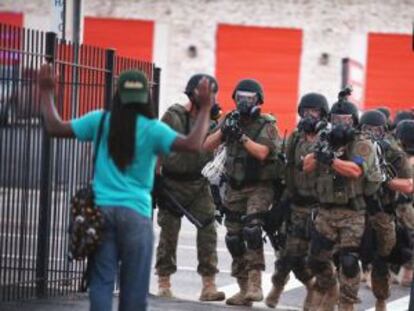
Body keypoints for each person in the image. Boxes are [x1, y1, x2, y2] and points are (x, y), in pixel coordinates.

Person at [38, 64, 215, 311]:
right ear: (146, 98)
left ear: (117, 94)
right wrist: (206, 107)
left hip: (100, 213)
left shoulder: (99, 121)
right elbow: (193, 144)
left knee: (101, 282)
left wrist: (46, 91)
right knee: (134, 291)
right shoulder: (153, 129)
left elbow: (55, 127)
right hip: (136, 214)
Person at [204, 78, 281, 306]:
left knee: (252, 229)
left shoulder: (267, 125)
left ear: (258, 100)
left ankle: (256, 284)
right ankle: (243, 287)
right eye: (240, 98)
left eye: (249, 98)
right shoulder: (230, 119)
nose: (244, 102)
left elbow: (262, 153)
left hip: (259, 186)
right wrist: (224, 132)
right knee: (233, 237)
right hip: (235, 186)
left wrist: (241, 137)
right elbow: (207, 145)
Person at [304, 92, 383, 311]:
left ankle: (347, 305)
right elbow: (307, 166)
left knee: (349, 262)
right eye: (336, 120)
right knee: (316, 260)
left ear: (354, 121)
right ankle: (331, 288)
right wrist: (319, 153)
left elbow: (355, 171)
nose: (340, 124)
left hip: (352, 213)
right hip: (326, 212)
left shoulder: (362, 144)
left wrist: (330, 159)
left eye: (345, 120)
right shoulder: (324, 139)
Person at [154, 74, 225, 301]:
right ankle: (164, 282)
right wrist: (155, 180)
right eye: (206, 94)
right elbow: (157, 147)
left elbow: (211, 146)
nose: (210, 99)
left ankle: (208, 285)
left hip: (198, 183)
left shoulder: (211, 120)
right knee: (168, 234)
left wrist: (225, 126)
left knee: (208, 230)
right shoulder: (173, 116)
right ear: (193, 94)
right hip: (171, 183)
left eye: (212, 94)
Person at [265, 93, 329, 310]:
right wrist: (280, 202)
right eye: (306, 111)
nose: (310, 116)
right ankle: (278, 287)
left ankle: (318, 295)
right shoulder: (294, 138)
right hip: (296, 204)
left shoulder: (328, 139)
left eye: (315, 112)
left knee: (317, 258)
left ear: (323, 114)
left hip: (320, 209)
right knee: (288, 256)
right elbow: (287, 169)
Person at [359, 110, 413, 311]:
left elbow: (408, 184)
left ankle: (381, 299)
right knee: (345, 259)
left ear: (385, 131)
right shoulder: (351, 147)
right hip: (353, 211)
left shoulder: (393, 152)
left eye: (377, 130)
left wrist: (384, 180)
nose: (372, 133)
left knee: (382, 258)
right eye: (367, 130)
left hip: (382, 211)